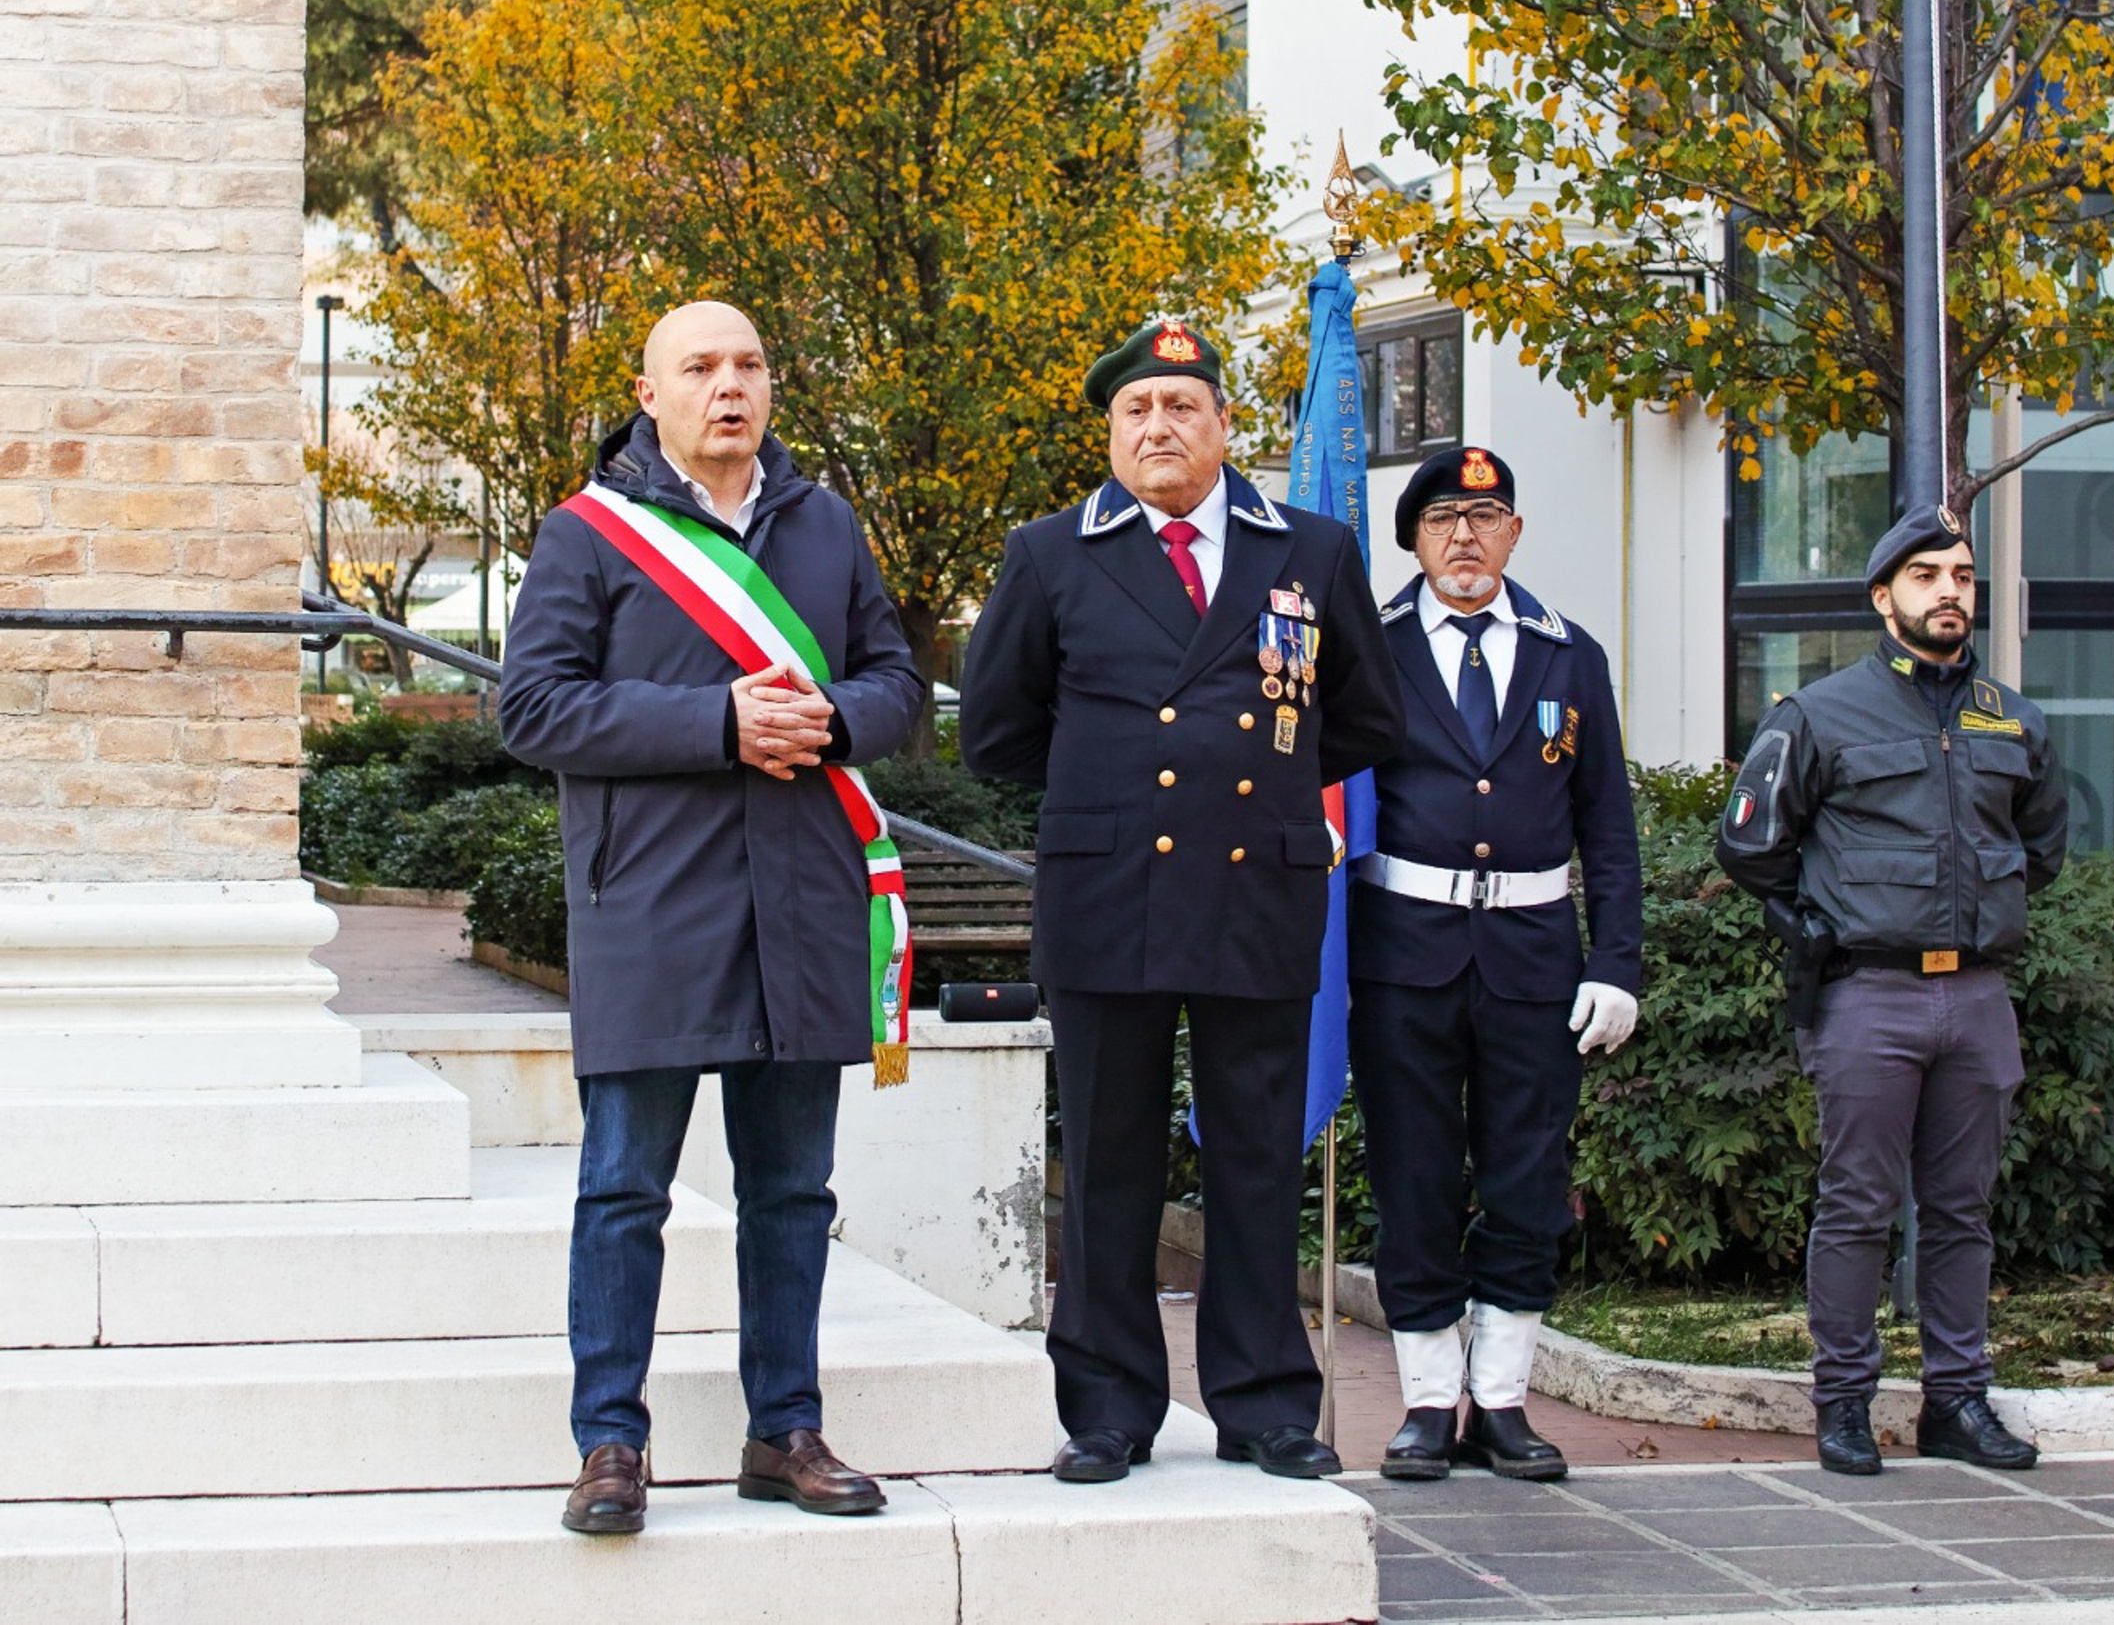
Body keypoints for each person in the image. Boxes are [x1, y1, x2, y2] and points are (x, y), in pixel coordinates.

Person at [501, 301, 925, 1535]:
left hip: (804, 901)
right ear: (651, 393)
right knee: (623, 1187)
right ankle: (609, 1442)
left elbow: (899, 683)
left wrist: (834, 719)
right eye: (699, 366)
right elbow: (533, 706)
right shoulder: (587, 532)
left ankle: (784, 1429)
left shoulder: (825, 524)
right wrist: (715, 723)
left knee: (791, 1189)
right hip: (650, 904)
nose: (727, 385)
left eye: (747, 364)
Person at [960, 319, 1405, 1484]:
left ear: (1222, 422)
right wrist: (1111, 788)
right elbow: (996, 730)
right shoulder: (1049, 552)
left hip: (1258, 887)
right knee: (1110, 1162)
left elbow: (1366, 713)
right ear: (1111, 433)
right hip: (1108, 891)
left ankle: (1264, 1405)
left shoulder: (1309, 549)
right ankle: (1109, 1407)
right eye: (1136, 410)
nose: (1158, 426)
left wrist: (1250, 787)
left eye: (1180, 405)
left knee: (1256, 1157)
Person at [1716, 503, 2069, 1476]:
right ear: (1883, 598)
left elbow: (2041, 848)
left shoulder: (2013, 719)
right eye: (1925, 576)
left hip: (1978, 998)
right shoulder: (1819, 714)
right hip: (1868, 994)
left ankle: (1957, 1401)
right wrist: (1816, 921)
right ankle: (1843, 1402)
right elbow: (1749, 843)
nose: (1949, 591)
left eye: (1961, 575)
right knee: (1857, 1206)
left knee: (1962, 1211)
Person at [1346, 445, 1641, 1484]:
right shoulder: (1370, 647)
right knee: (1414, 1177)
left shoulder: (1569, 654)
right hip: (1402, 956)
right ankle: (1430, 1401)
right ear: (1413, 540)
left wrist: (1616, 960)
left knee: (1527, 1180)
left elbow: (1608, 825)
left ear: (1514, 532)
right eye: (1441, 519)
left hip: (1532, 957)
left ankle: (1504, 1401)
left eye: (1484, 516)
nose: (1464, 536)